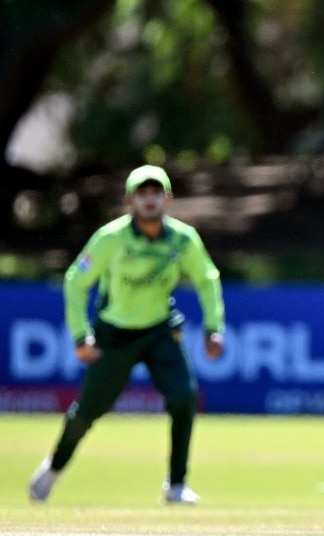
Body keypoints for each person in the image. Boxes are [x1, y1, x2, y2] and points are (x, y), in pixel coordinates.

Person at [28, 165, 226, 505]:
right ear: (129, 201)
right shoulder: (111, 238)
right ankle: (54, 467)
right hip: (114, 334)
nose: (149, 200)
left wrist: (214, 328)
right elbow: (76, 281)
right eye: (142, 193)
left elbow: (207, 280)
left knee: (184, 397)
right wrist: (81, 336)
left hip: (160, 329)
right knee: (88, 411)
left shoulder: (183, 240)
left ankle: (176, 485)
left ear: (168, 199)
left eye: (156, 193)